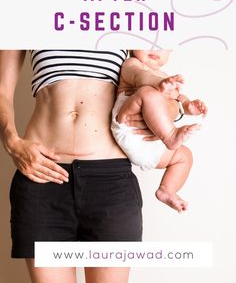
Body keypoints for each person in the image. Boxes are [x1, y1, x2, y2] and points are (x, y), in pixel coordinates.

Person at [0, 49, 182, 283]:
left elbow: (159, 86)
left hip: (110, 182)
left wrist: (174, 110)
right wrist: (11, 142)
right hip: (42, 177)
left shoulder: (121, 18)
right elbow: (3, 90)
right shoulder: (25, 15)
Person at [111, 49, 208, 212]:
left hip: (153, 146)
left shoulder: (165, 75)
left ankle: (167, 190)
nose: (155, 49)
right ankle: (171, 134)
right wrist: (159, 84)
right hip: (128, 127)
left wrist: (188, 106)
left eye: (163, 45)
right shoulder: (132, 63)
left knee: (184, 156)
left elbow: (178, 98)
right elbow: (140, 77)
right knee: (146, 92)